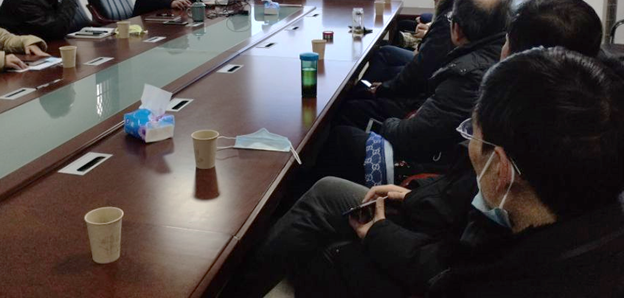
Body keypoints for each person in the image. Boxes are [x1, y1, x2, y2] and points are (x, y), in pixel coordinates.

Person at [226, 47, 624, 298]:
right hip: (429, 234)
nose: (469, 148)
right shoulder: (582, 217)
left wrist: (379, 232)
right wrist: (412, 198)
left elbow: (445, 269)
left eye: (472, 134)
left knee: (322, 253)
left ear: (501, 168)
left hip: (417, 261)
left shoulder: (508, 277)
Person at [336, 0, 510, 181]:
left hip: (426, 167)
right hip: (448, 153)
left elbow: (414, 135)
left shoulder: (465, 76)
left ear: (457, 29)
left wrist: (387, 124)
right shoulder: (501, 55)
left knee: (341, 133)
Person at [351, 0, 473, 123]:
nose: (435, 4)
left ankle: (359, 94)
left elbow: (420, 69)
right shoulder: (469, 7)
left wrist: (384, 88)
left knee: (352, 107)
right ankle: (361, 91)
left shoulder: (449, 18)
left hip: (424, 94)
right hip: (438, 80)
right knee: (385, 53)